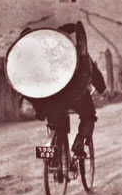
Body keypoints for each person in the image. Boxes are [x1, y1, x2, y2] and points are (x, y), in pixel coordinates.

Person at [26, 22, 106, 157]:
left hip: (51, 98)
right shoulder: (80, 55)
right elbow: (93, 74)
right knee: (89, 116)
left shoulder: (47, 56)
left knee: (55, 123)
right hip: (76, 96)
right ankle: (79, 142)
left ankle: (50, 149)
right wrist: (101, 89)